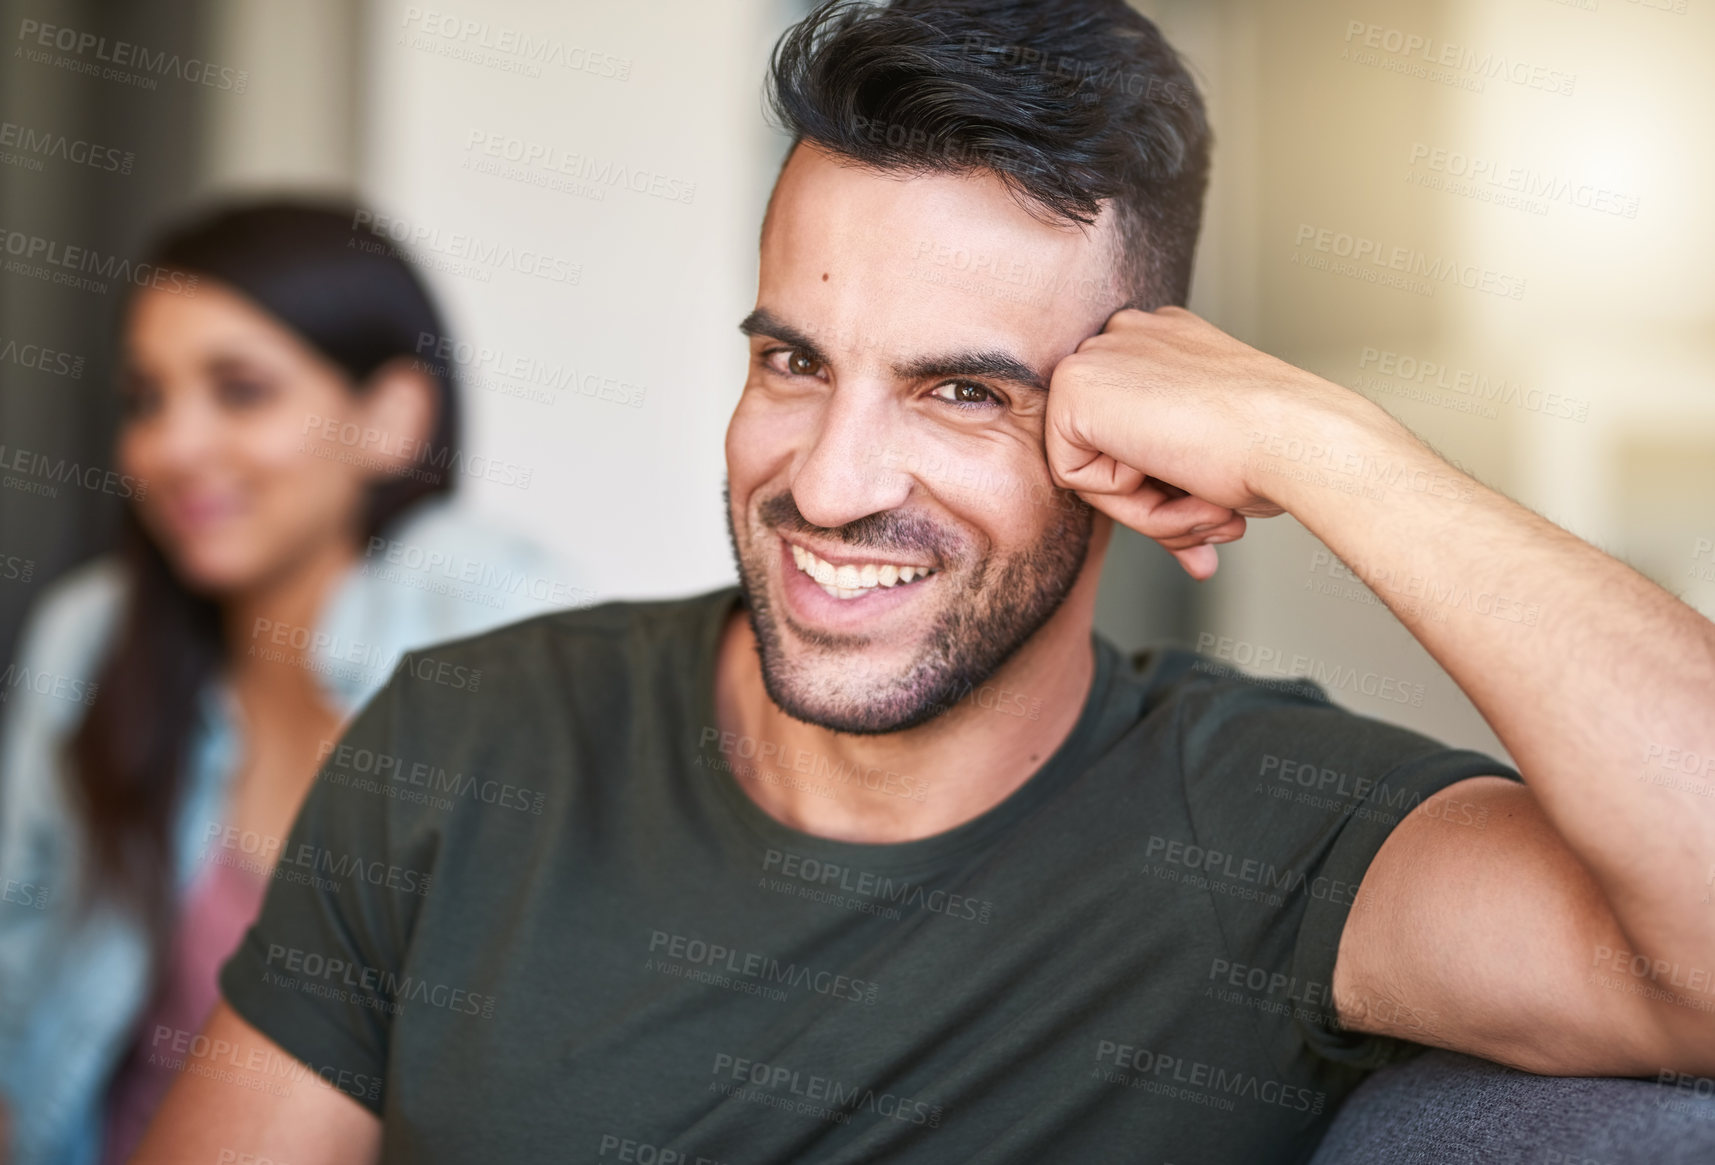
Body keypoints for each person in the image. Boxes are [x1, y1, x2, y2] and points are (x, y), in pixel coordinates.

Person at [139, 2, 1715, 1162]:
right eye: (790, 361)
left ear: (1125, 416)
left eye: (963, 393)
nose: (827, 481)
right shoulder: (474, 733)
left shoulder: (1266, 831)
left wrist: (1327, 447)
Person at [0, 200, 579, 1165]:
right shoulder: (90, 637)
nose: (171, 446)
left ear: (392, 418)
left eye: (240, 390)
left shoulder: (474, 613)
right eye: (146, 399)